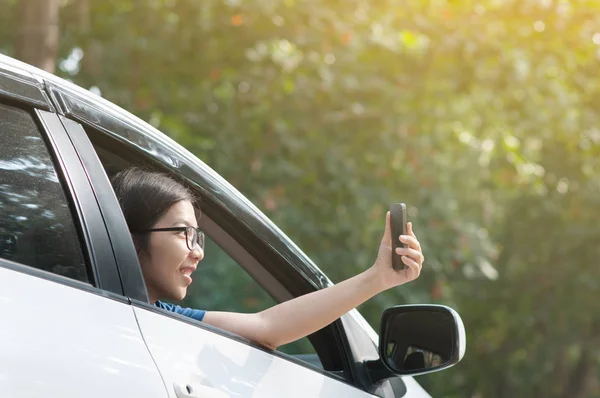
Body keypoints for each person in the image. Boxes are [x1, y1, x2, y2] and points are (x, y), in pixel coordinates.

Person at [111, 166, 425, 350]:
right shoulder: (90, 305)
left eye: (198, 236)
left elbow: (268, 326)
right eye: (183, 233)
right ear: (131, 233)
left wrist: (379, 277)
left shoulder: (162, 314)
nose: (199, 251)